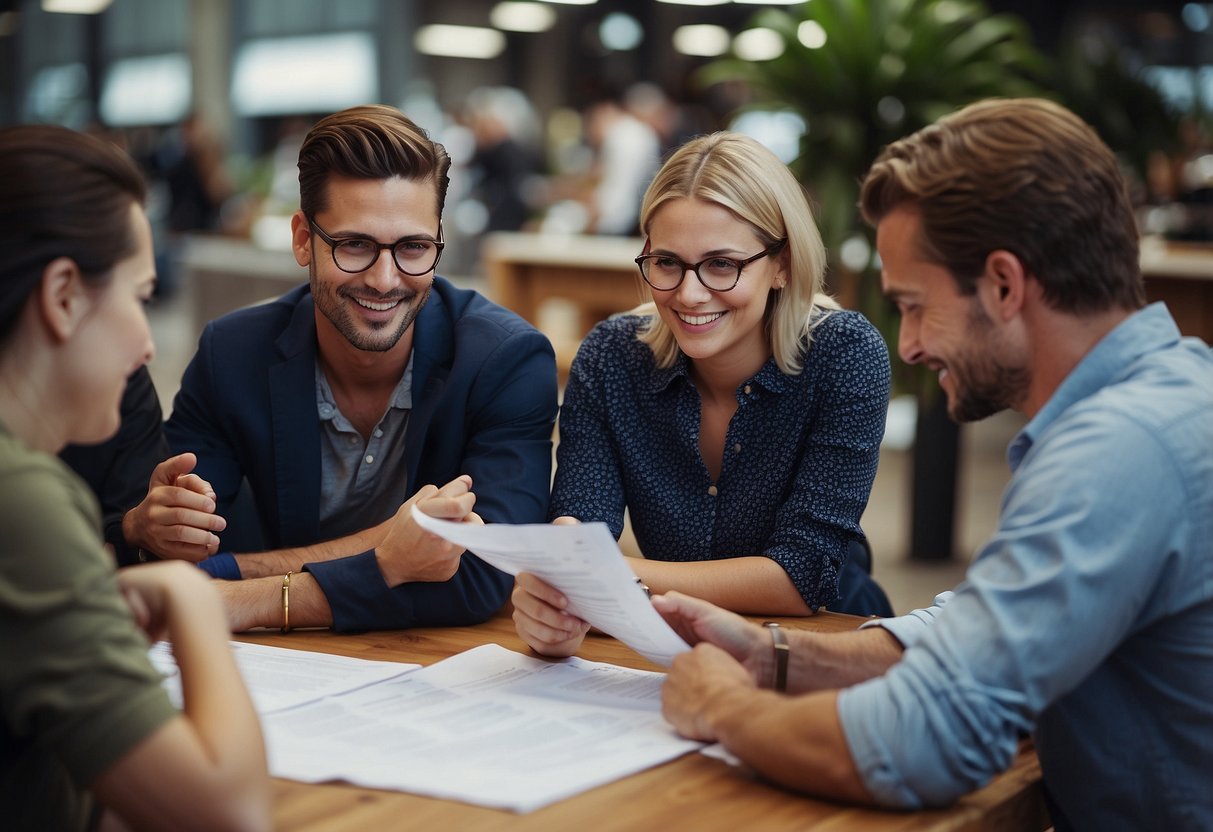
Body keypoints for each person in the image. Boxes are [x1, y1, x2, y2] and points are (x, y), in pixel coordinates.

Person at [655, 98, 1213, 830]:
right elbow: (992, 622)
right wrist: (773, 656)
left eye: (913, 306)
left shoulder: (1111, 456)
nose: (909, 345)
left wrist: (720, 704)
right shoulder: (1176, 391)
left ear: (1005, 286)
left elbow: (921, 744)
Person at [163, 104, 558, 633]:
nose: (384, 279)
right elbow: (183, 559)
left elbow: (486, 576)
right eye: (355, 245)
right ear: (304, 238)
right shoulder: (231, 353)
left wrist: (243, 588)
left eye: (414, 247)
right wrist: (387, 555)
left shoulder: (506, 360)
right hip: (277, 670)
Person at [513, 132, 892, 659]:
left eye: (722, 264)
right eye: (667, 262)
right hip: (668, 644)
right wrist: (555, 597)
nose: (689, 294)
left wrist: (614, 580)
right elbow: (579, 526)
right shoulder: (611, 357)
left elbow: (800, 576)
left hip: (824, 644)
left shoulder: (845, 354)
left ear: (781, 263)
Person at [0, 125, 270, 830]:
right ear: (62, 296)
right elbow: (228, 811)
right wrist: (191, 598)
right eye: (139, 296)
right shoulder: (21, 498)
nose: (148, 342)